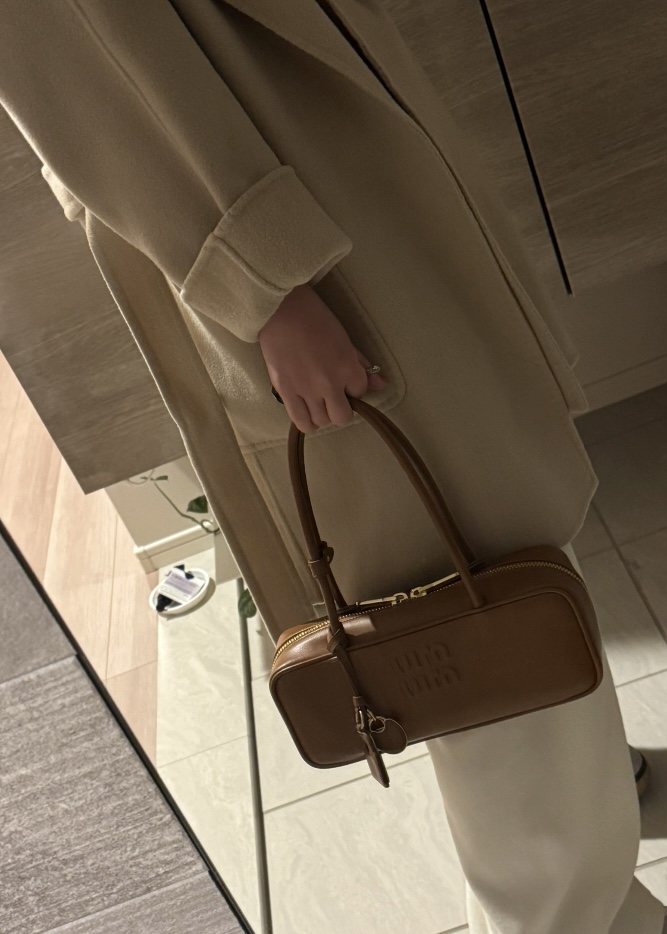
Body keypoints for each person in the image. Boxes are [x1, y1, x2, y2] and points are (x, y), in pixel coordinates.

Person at [1, 1, 664, 931]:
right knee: (459, 592)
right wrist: (262, 285)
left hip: (306, 169)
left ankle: (593, 791)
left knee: (501, 559)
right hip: (276, 217)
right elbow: (67, 46)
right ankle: (563, 913)